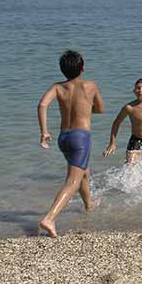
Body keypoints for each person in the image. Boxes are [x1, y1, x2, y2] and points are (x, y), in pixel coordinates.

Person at [36, 50, 105, 237]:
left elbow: (42, 105)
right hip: (80, 137)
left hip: (63, 137)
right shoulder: (90, 85)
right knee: (73, 181)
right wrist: (85, 106)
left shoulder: (57, 87)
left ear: (62, 70)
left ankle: (89, 204)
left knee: (83, 172)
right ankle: (49, 218)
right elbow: (100, 109)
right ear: (83, 68)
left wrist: (44, 132)